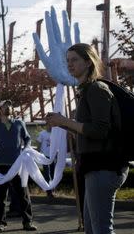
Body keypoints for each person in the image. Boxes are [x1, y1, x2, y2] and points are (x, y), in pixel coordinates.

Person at [46, 43, 129, 234]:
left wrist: (66, 120)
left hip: (103, 166)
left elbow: (100, 131)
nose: (69, 64)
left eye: (74, 59)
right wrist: (63, 123)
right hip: (95, 166)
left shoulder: (97, 89)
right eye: (67, 60)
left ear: (88, 62)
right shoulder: (87, 91)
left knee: (101, 229)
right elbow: (88, 133)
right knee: (92, 229)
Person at [0, 100, 37, 232]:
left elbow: (27, 138)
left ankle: (28, 222)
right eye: (5, 106)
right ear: (0, 109)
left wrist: (26, 149)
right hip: (0, 166)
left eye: (10, 105)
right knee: (0, 197)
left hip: (17, 166)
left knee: (23, 195)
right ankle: (1, 223)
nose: (9, 107)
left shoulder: (19, 123)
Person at [36, 124, 55, 198]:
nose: (50, 126)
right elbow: (38, 144)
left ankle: (52, 189)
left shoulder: (54, 134)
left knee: (53, 173)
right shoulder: (42, 134)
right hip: (44, 156)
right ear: (46, 126)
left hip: (52, 156)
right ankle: (49, 191)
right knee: (47, 174)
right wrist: (37, 154)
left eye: (51, 125)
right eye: (49, 125)